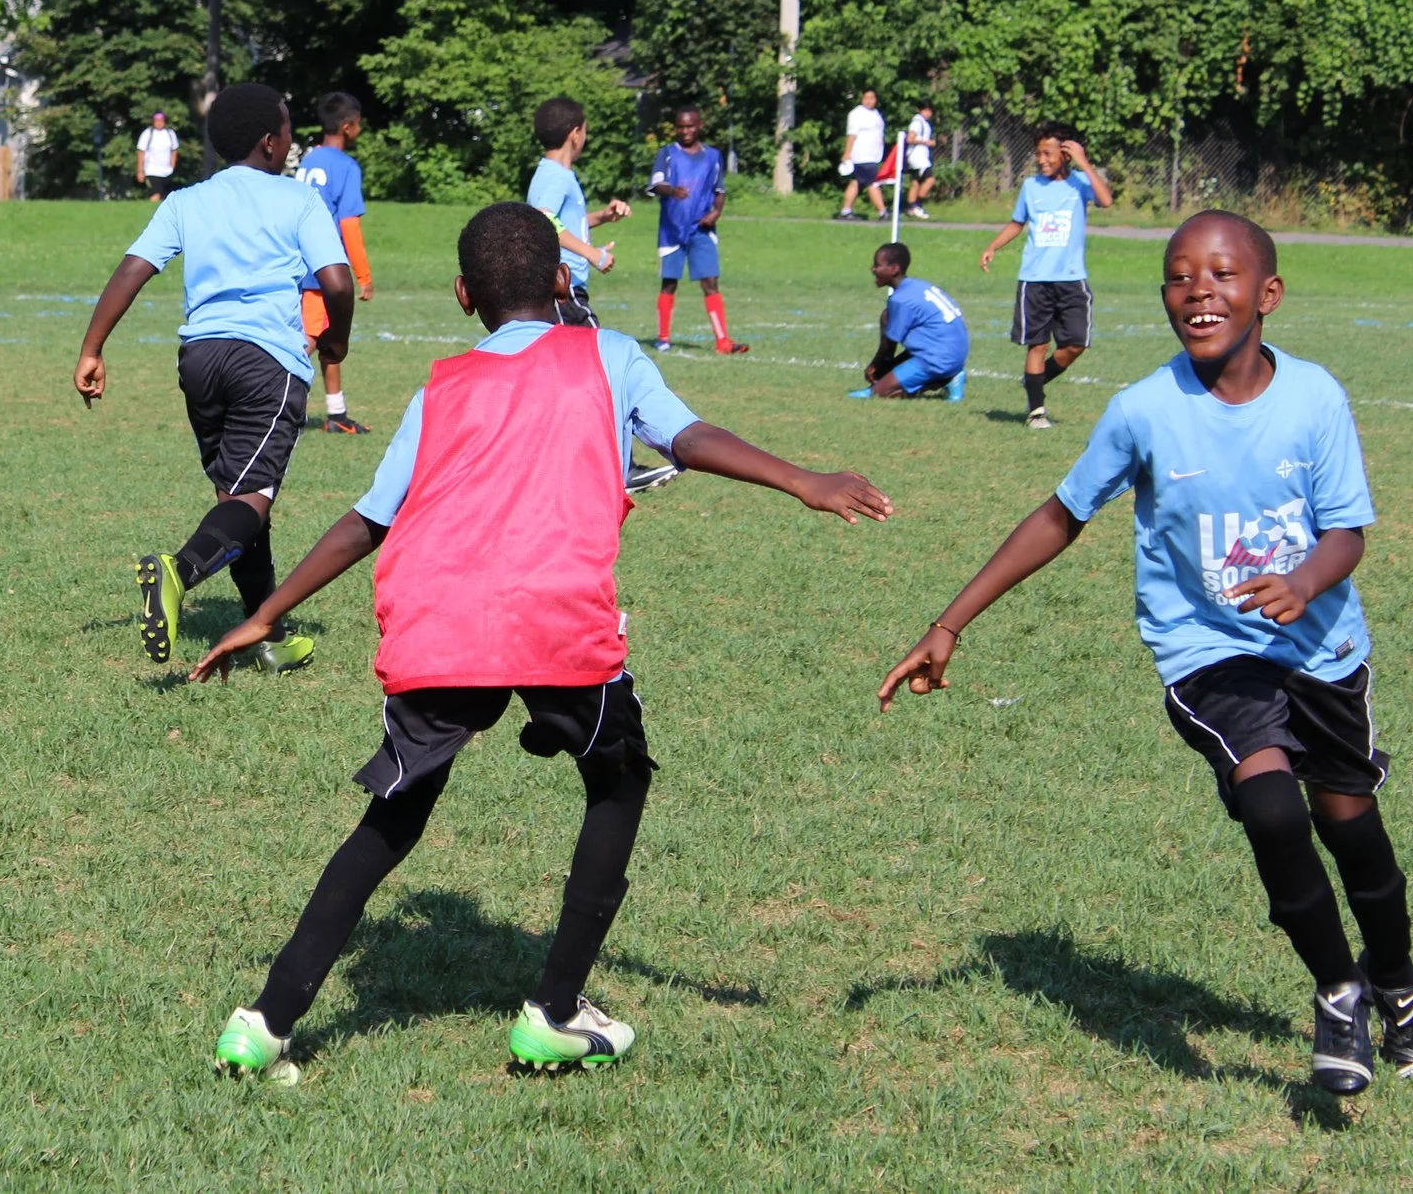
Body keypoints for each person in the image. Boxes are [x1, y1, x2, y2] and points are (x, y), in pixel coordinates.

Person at [197, 203, 892, 1078]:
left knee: (394, 817)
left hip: (437, 615)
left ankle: (263, 1023)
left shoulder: (441, 386)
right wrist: (802, 479)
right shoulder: (609, 354)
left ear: (463, 295)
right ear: (564, 280)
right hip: (553, 615)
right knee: (619, 778)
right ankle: (554, 1012)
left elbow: (368, 519)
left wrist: (267, 611)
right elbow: (688, 436)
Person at [879, 212, 1413, 1096]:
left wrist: (1303, 581)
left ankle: (1398, 982)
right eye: (1180, 276)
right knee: (1271, 806)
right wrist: (949, 622)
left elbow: (1347, 532)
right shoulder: (1142, 409)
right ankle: (1339, 990)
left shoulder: (1314, 397)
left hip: (1322, 647)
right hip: (1207, 649)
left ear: (1267, 294)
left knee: (1350, 826)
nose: (1198, 291)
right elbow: (1061, 515)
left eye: (1221, 274)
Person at [77, 83, 351, 672]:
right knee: (251, 496)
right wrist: (338, 338)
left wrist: (92, 348)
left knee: (242, 495)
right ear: (270, 143)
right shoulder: (298, 199)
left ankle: (266, 637)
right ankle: (178, 572)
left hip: (200, 360)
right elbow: (337, 281)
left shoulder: (186, 200)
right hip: (267, 362)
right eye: (287, 128)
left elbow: (132, 269)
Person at [981, 122, 1112, 430]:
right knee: (1037, 345)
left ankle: (1035, 380)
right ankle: (1036, 411)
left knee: (1076, 344)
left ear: (1066, 154)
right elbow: (1017, 223)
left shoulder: (1080, 182)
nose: (1041, 159)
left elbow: (1106, 200)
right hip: (1035, 280)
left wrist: (1083, 162)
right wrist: (993, 247)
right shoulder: (1031, 187)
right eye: (1038, 153)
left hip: (1072, 279)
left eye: (1048, 153)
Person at [296, 91, 377, 433]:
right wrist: (363, 275)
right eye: (358, 124)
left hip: (298, 260)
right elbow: (349, 225)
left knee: (330, 335)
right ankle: (266, 400)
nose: (360, 129)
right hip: (324, 266)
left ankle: (337, 413)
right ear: (347, 126)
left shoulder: (308, 160)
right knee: (308, 339)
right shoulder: (345, 166)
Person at [646, 105, 745, 356]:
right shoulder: (667, 153)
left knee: (710, 281)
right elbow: (656, 185)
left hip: (701, 229)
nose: (685, 131)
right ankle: (663, 338)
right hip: (672, 230)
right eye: (680, 127)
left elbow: (719, 190)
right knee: (669, 283)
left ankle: (723, 341)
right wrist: (672, 190)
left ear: (699, 126)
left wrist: (716, 212)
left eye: (690, 126)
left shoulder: (712, 156)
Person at [525, 96, 629, 327]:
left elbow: (561, 222)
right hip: (562, 286)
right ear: (575, 134)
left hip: (565, 286)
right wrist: (591, 253)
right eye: (585, 131)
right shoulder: (557, 177)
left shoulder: (552, 173)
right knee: (591, 345)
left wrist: (603, 216)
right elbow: (544, 220)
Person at [851, 242, 967, 399]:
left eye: (877, 265)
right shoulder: (917, 286)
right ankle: (950, 373)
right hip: (954, 354)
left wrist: (875, 365)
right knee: (887, 316)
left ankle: (946, 378)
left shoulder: (901, 299)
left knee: (879, 394)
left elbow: (889, 344)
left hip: (936, 358)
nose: (872, 269)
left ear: (894, 269)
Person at [836, 89, 888, 222]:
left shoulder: (876, 114)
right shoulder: (857, 114)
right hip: (862, 155)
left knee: (855, 183)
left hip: (873, 155)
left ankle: (846, 211)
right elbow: (851, 135)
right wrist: (847, 153)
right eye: (866, 98)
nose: (869, 101)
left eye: (872, 98)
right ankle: (882, 211)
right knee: (872, 183)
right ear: (862, 99)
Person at [136, 111, 181, 201]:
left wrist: (172, 165)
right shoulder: (147, 133)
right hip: (152, 170)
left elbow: (174, 150)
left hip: (167, 171)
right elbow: (141, 152)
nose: (159, 123)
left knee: (164, 196)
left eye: (161, 121)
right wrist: (140, 171)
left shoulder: (170, 133)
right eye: (157, 121)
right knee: (156, 193)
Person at [903, 103, 938, 219]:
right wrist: (926, 142)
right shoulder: (917, 123)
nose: (928, 113)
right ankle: (917, 205)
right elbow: (910, 139)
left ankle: (910, 208)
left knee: (916, 182)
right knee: (930, 180)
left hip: (920, 157)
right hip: (917, 157)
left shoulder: (924, 123)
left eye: (930, 111)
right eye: (926, 110)